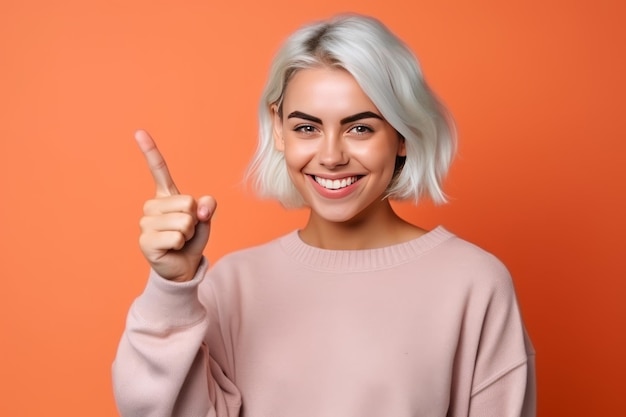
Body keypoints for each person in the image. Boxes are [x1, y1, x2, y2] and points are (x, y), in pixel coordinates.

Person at [112, 13, 536, 417]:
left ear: (402, 134)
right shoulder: (234, 285)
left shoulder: (474, 283)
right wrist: (171, 288)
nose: (331, 156)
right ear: (279, 129)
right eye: (307, 128)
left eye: (360, 128)